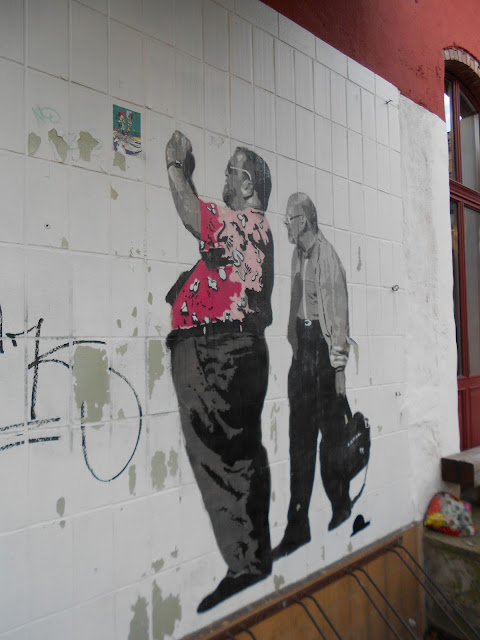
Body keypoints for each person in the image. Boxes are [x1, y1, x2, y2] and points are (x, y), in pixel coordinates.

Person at [164, 131, 274, 612]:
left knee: (222, 457)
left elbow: (194, 215)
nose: (225, 179)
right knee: (235, 456)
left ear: (248, 185)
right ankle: (251, 558)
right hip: (223, 352)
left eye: (230, 172)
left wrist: (175, 167)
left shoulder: (246, 225)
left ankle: (246, 563)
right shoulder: (245, 232)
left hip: (218, 355)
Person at [273, 192, 353, 560]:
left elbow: (337, 320)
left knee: (332, 438)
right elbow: (296, 303)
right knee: (299, 441)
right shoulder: (297, 255)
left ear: (303, 221)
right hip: (303, 350)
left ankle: (340, 503)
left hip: (323, 351)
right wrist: (295, 344)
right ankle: (297, 526)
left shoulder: (327, 257)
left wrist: (338, 370)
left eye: (289, 218)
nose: (285, 224)